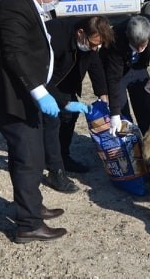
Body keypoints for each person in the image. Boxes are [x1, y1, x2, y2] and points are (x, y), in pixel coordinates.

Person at [0, 0, 86, 243]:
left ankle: (31, 206)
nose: (56, 3)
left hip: (25, 92)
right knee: (28, 157)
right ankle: (28, 225)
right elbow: (14, 55)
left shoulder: (29, 3)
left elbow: (37, 57)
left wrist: (61, 101)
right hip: (8, 96)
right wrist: (39, 94)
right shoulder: (13, 8)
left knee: (30, 154)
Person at [42, 16, 114, 195]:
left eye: (98, 45)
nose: (95, 48)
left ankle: (63, 156)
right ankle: (54, 170)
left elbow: (94, 64)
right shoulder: (54, 36)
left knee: (69, 116)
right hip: (44, 80)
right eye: (92, 44)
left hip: (66, 79)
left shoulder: (90, 42)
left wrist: (102, 93)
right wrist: (63, 101)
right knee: (51, 122)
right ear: (80, 33)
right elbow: (40, 74)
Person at [101, 14, 150, 136]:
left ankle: (146, 139)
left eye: (143, 45)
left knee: (144, 106)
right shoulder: (115, 39)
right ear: (127, 36)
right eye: (136, 46)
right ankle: (129, 140)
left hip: (138, 66)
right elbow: (114, 80)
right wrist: (115, 114)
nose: (140, 49)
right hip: (117, 69)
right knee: (121, 108)